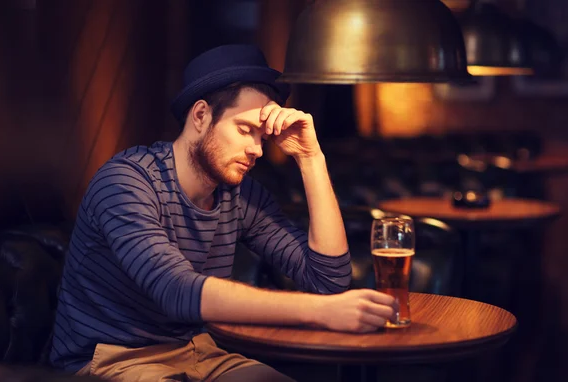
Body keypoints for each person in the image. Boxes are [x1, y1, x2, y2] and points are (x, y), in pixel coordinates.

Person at [49, 44, 398, 381]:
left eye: (263, 137)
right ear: (201, 116)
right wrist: (322, 314)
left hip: (196, 350)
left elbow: (329, 282)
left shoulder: (240, 195)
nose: (257, 150)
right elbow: (176, 291)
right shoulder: (125, 181)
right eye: (245, 130)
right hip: (110, 359)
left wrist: (311, 159)